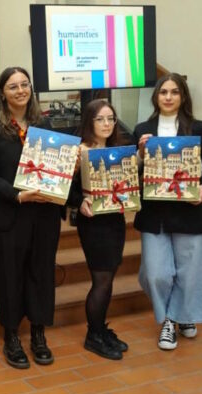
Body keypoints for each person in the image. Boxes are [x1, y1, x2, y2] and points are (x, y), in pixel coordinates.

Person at [0, 67, 57, 369]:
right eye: (13, 86)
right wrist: (17, 195)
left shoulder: (44, 125)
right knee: (9, 276)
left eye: (25, 85)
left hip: (44, 214)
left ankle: (38, 334)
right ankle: (11, 336)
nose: (20, 90)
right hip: (8, 214)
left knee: (41, 273)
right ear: (2, 94)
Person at [133, 73, 202, 351]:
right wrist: (141, 155)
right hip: (154, 212)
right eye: (163, 92)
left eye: (174, 92)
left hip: (189, 210)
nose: (168, 97)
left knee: (189, 271)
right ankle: (181, 313)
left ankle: (171, 320)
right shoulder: (142, 129)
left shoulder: (200, 128)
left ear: (183, 97)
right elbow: (134, 173)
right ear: (156, 97)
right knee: (154, 273)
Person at [69, 99, 131, 360]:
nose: (106, 124)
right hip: (92, 222)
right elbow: (66, 188)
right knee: (101, 279)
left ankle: (101, 329)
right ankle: (93, 335)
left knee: (109, 276)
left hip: (115, 219)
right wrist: (78, 202)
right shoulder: (78, 151)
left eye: (111, 119)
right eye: (100, 119)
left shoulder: (118, 150)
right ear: (89, 122)